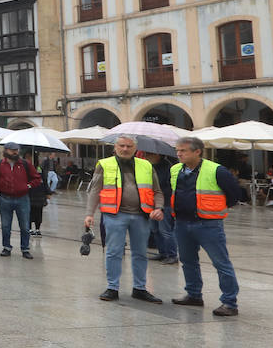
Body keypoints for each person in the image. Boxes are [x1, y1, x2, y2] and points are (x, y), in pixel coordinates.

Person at [83, 134, 165, 303]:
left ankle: (140, 288)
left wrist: (159, 207)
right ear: (115, 147)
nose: (125, 149)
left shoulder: (146, 165)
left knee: (140, 253)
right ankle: (112, 287)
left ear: (135, 148)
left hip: (141, 215)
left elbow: (157, 191)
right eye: (122, 145)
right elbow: (94, 190)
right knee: (114, 252)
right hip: (114, 215)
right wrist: (89, 214)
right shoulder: (104, 164)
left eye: (129, 146)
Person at [169, 136, 244, 316]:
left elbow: (235, 194)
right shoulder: (175, 169)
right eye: (177, 150)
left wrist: (215, 208)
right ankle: (194, 295)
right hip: (181, 222)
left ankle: (229, 302)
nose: (179, 154)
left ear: (197, 152)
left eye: (183, 151)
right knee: (188, 261)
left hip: (208, 223)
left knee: (221, 263)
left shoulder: (217, 170)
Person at [0, 142, 41, 258]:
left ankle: (25, 249)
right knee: (6, 225)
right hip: (5, 198)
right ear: (6, 151)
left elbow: (37, 179)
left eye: (17, 150)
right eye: (12, 150)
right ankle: (6, 247)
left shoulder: (25, 164)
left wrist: (28, 186)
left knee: (24, 226)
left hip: (22, 199)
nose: (15, 152)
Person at [146, 151, 178, 262]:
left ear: (158, 155)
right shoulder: (150, 166)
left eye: (149, 154)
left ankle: (172, 255)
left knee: (165, 230)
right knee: (155, 229)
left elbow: (164, 185)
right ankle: (163, 252)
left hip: (165, 203)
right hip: (152, 204)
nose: (146, 156)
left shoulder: (167, 167)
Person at [26, 150, 49, 236]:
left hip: (39, 194)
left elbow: (45, 181)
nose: (27, 159)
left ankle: (37, 228)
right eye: (26, 158)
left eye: (29, 157)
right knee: (29, 212)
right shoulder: (25, 169)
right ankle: (29, 228)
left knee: (38, 212)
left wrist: (47, 192)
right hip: (29, 193)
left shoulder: (39, 169)